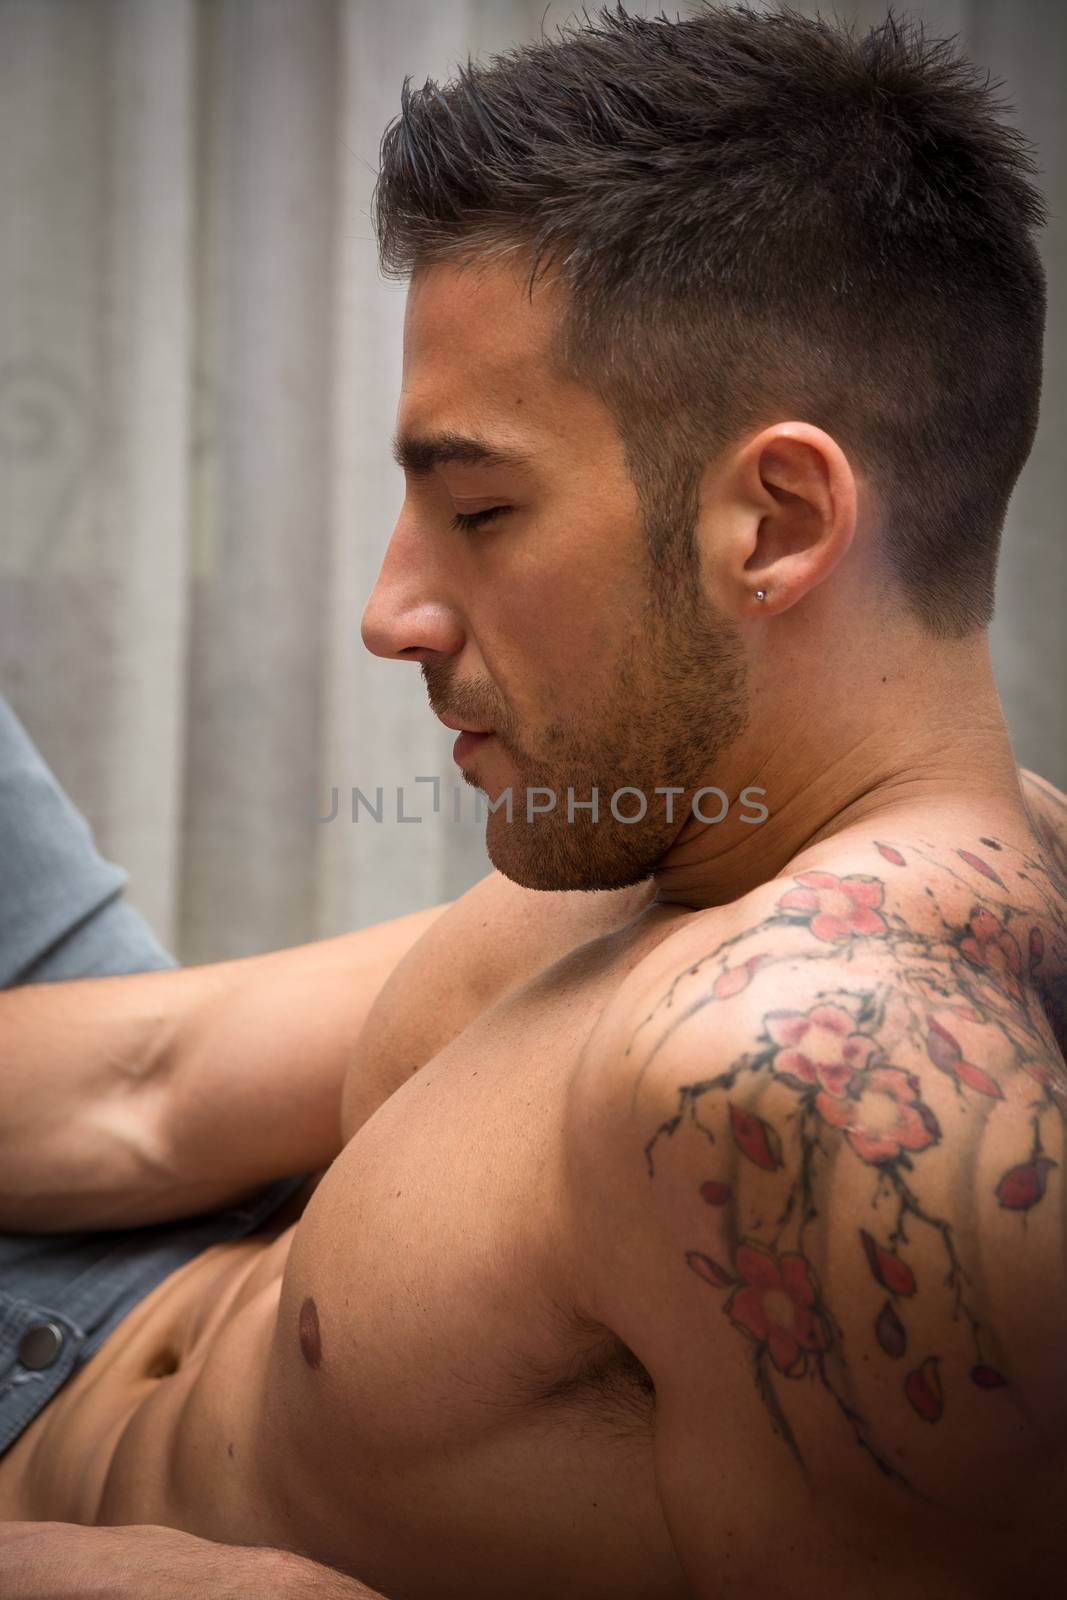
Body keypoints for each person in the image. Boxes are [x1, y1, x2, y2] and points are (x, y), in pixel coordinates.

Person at [2, 4, 1066, 1596]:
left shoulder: (813, 1081)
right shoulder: (697, 834)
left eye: (481, 507)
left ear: (773, 522)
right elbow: (148, 1087)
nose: (391, 614)